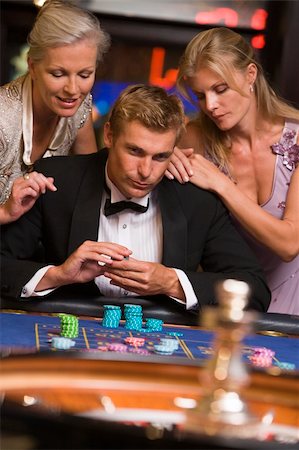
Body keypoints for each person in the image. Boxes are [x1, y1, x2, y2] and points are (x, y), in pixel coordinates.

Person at [0, 84, 270, 313]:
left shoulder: (196, 199)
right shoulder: (57, 180)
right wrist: (59, 274)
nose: (146, 171)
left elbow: (255, 290)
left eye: (160, 157)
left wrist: (171, 282)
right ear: (109, 135)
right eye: (135, 151)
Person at [166, 27, 299, 315]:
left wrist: (221, 185)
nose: (211, 106)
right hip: (224, 308)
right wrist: (164, 158)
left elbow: (289, 243)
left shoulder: (298, 139)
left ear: (250, 74)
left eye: (220, 89)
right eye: (201, 96)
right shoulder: (193, 139)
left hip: (292, 313)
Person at [0, 0, 110, 205]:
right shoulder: (2, 117)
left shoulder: (81, 108)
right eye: (58, 74)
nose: (73, 89)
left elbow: (90, 186)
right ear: (32, 67)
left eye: (85, 75)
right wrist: (5, 212)